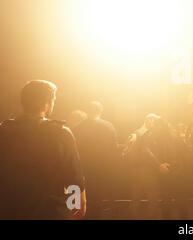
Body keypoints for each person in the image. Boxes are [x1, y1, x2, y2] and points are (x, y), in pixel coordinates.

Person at [0, 80, 86, 219]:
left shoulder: (3, 131)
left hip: (9, 209)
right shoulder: (61, 133)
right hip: (51, 210)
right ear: (47, 103)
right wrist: (75, 205)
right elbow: (73, 176)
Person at [74, 101, 118, 219]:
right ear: (100, 111)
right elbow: (113, 149)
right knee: (97, 200)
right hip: (101, 169)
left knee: (79, 200)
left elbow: (74, 150)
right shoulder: (108, 126)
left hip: (82, 169)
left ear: (86, 110)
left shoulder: (78, 127)